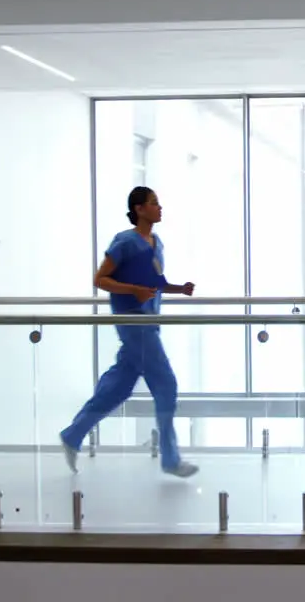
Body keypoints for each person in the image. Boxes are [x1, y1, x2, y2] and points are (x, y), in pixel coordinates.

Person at [59, 186, 198, 478]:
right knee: (166, 385)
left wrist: (178, 289)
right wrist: (132, 290)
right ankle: (170, 459)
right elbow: (101, 279)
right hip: (134, 323)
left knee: (117, 387)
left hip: (149, 323)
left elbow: (155, 282)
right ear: (139, 209)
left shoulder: (156, 243)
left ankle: (73, 434)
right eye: (154, 203)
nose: (160, 208)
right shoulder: (124, 242)